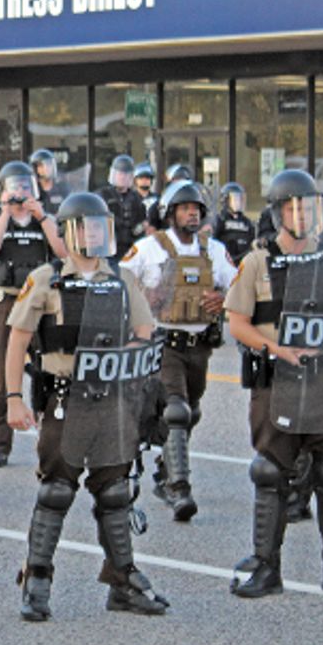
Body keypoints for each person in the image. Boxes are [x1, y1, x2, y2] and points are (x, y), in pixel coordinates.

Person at [6, 191, 169, 620]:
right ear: (70, 231)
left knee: (115, 492)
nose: (95, 234)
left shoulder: (121, 278)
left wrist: (128, 351)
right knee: (57, 490)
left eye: (101, 226)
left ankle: (123, 581)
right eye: (87, 226)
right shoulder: (46, 279)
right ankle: (36, 580)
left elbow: (144, 331)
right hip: (65, 397)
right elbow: (18, 338)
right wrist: (13, 398)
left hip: (113, 401)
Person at [224, 169, 323, 598]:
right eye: (292, 207)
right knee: (271, 471)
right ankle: (267, 568)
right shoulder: (258, 261)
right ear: (277, 212)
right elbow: (237, 322)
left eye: (307, 206)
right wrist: (276, 349)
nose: (301, 214)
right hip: (278, 379)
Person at [121, 181, 237, 521]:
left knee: (191, 411)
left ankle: (163, 467)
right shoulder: (149, 249)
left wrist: (224, 299)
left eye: (196, 209)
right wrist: (145, 297)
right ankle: (179, 488)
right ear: (170, 213)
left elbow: (240, 283)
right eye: (185, 208)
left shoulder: (213, 250)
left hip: (199, 346)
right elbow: (121, 282)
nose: (192, 213)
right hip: (164, 343)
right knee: (177, 410)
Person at [0, 161, 66, 468]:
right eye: (15, 186)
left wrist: (41, 217)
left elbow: (64, 253)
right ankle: (0, 444)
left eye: (26, 186)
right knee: (1, 373)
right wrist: (5, 213)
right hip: (7, 301)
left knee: (49, 370)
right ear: (3, 189)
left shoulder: (45, 219)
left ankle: (50, 435)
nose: (21, 192)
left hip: (41, 303)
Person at [97, 154, 148, 261]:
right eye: (120, 174)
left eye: (126, 174)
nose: (122, 177)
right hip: (108, 249)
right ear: (113, 174)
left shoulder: (136, 198)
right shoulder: (103, 195)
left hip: (130, 249)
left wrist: (140, 227)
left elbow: (142, 223)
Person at [212, 182, 257, 265]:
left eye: (241, 199)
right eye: (235, 199)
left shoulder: (247, 222)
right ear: (225, 201)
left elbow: (253, 243)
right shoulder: (220, 220)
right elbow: (213, 242)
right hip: (225, 262)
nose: (238, 203)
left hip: (244, 262)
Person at [30, 148, 70, 216]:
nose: (46, 168)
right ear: (36, 169)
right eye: (41, 166)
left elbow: (69, 208)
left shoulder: (62, 188)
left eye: (49, 164)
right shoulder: (32, 190)